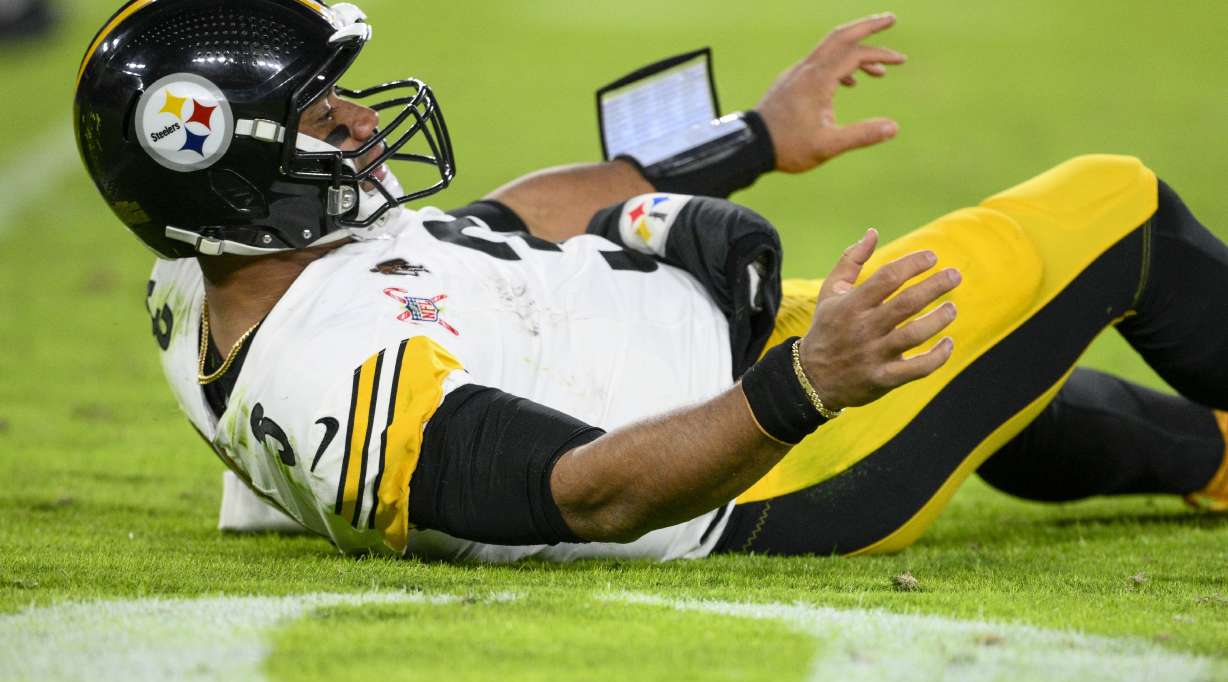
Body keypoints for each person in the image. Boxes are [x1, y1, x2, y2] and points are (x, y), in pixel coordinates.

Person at [74, 0, 1228, 562]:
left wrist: (754, 137)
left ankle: (1213, 460)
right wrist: (805, 389)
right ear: (228, 172)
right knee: (1113, 204)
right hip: (767, 458)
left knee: (1015, 383)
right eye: (322, 116)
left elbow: (505, 223)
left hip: (732, 350)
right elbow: (585, 492)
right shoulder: (344, 372)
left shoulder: (213, 278)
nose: (364, 125)